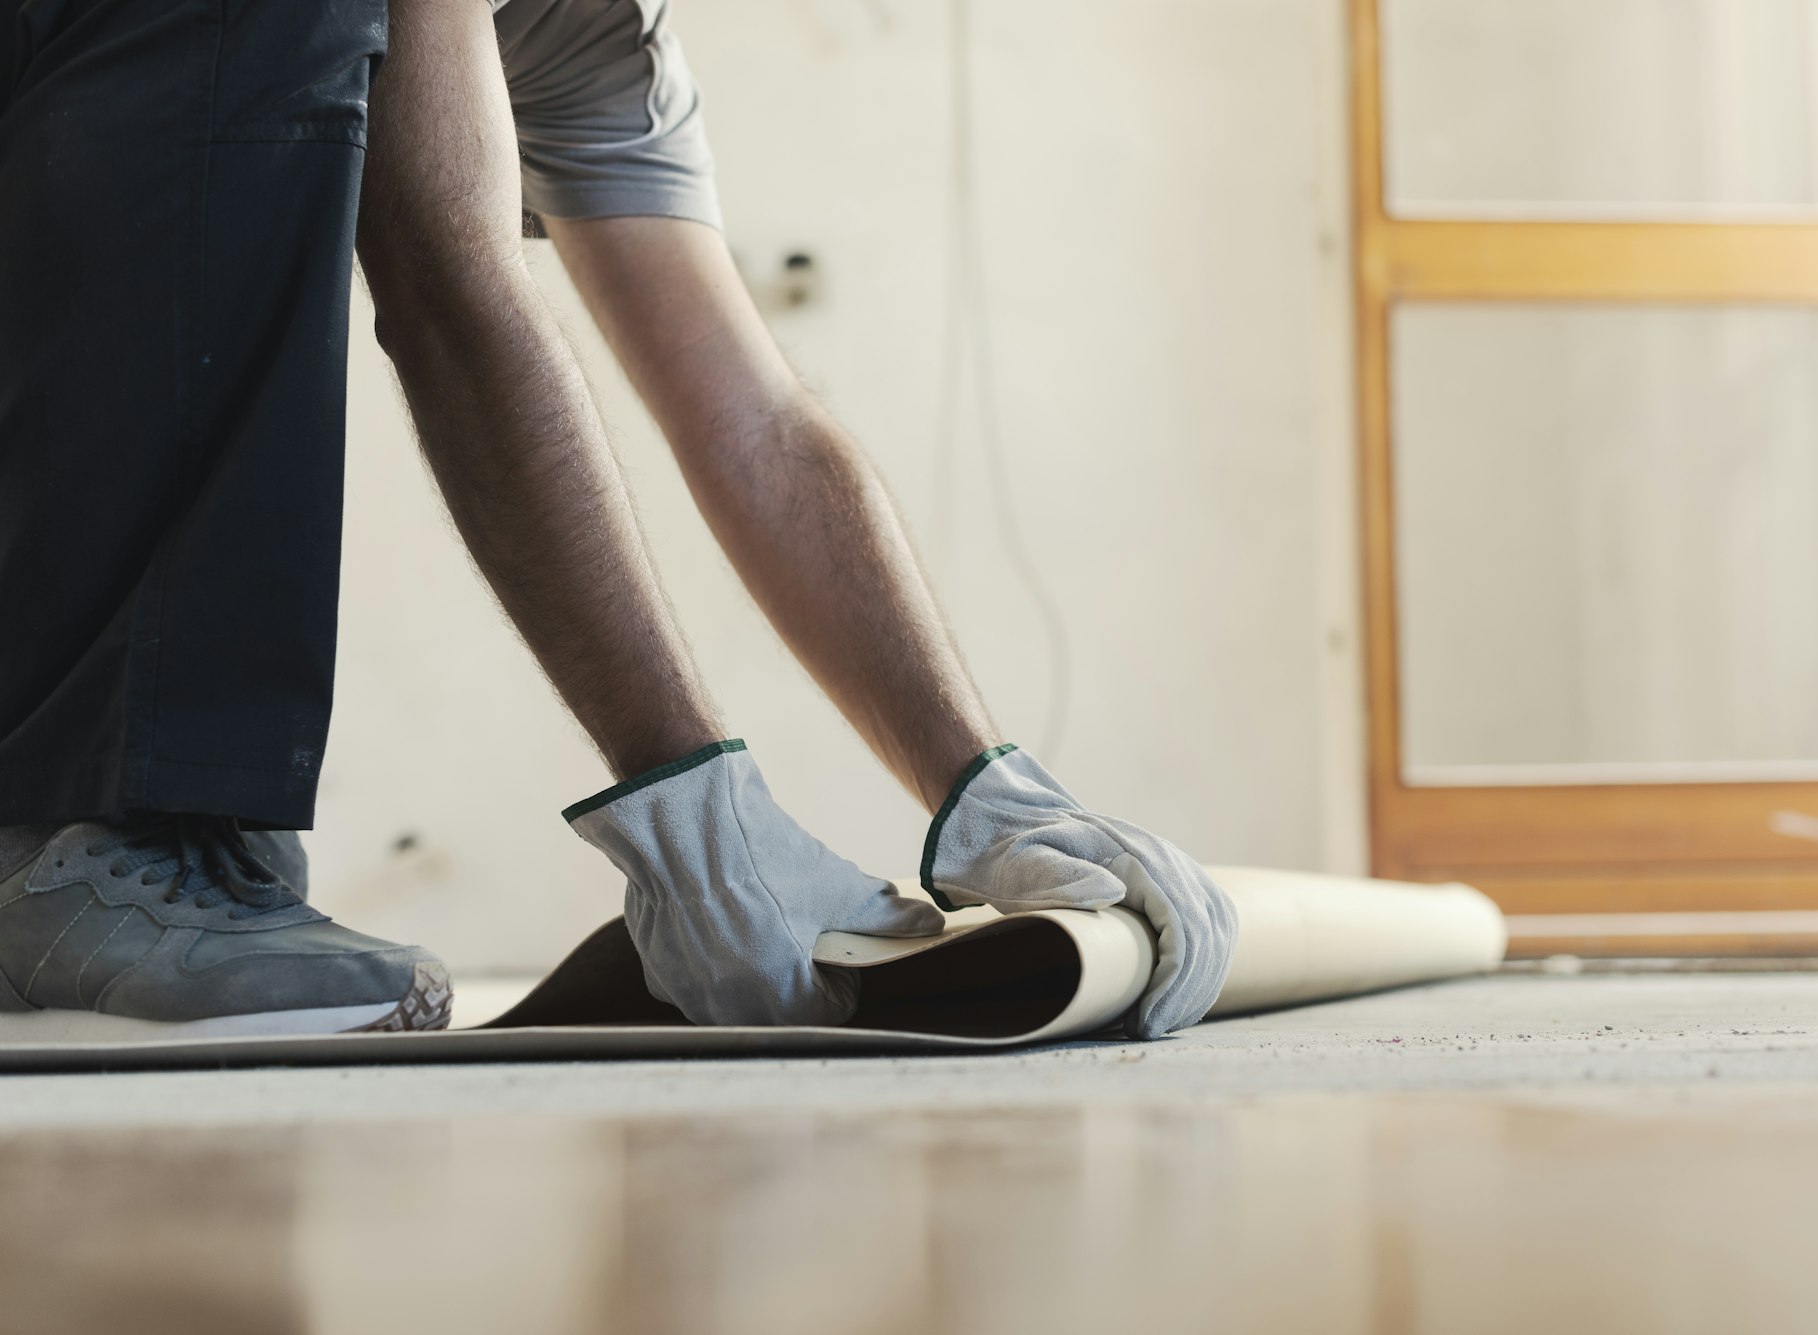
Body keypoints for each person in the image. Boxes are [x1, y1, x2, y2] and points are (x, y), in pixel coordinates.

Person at [0, 0, 1236, 1041]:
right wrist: (688, 810)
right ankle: (81, 839)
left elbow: (753, 417)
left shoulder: (607, 40)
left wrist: (981, 782)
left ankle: (127, 836)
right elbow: (453, 292)